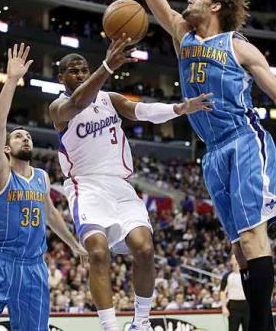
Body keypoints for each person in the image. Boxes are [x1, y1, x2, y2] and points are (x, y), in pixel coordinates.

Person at [125, 0, 276, 331]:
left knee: (250, 239)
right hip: (212, 152)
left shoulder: (238, 46)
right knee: (239, 252)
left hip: (245, 141)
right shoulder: (182, 36)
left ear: (214, 8)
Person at [49, 35, 212, 331]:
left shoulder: (108, 99)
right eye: (73, 70)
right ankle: (110, 327)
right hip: (85, 186)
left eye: (84, 69)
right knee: (98, 252)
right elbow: (78, 101)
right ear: (61, 77)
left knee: (145, 249)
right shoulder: (59, 107)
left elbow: (143, 112)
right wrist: (107, 66)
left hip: (120, 186)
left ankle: (141, 322)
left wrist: (179, 109)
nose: (80, 74)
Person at [0, 43, 86, 331]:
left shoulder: (42, 178)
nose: (26, 139)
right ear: (7, 149)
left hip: (34, 267)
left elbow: (49, 213)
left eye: (28, 136)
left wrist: (74, 245)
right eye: (19, 136)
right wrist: (11, 80)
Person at [220, 253, 249, 331]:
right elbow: (222, 292)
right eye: (234, 258)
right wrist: (224, 307)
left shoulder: (248, 274)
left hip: (247, 305)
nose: (237, 260)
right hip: (233, 306)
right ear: (231, 262)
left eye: (238, 258)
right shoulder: (227, 276)